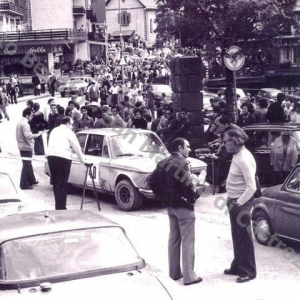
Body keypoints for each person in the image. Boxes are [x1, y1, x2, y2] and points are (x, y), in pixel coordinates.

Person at [151, 138, 205, 285]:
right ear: (180, 148)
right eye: (187, 147)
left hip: (170, 206)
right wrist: (195, 194)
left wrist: (163, 197)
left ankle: (174, 273)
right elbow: (188, 187)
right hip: (183, 207)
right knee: (188, 241)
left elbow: (151, 181)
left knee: (174, 240)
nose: (190, 149)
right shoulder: (184, 164)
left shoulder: (162, 162)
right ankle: (189, 276)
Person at [224, 128, 257, 283]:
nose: (223, 144)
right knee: (237, 236)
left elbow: (251, 187)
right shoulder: (238, 155)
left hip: (241, 202)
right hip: (235, 200)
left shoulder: (243, 158)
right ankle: (237, 266)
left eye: (225, 141)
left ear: (235, 141)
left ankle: (249, 271)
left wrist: (238, 202)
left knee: (244, 238)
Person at [47, 117, 85, 210]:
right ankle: (62, 207)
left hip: (51, 157)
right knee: (63, 184)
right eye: (72, 124)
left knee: (56, 183)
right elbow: (76, 147)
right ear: (68, 123)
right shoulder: (69, 132)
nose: (72, 127)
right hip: (63, 158)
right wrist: (83, 160)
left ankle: (58, 206)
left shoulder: (54, 130)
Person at [16, 108, 43, 190]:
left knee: (28, 164)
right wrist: (38, 134)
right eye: (31, 115)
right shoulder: (25, 124)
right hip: (26, 147)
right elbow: (28, 136)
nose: (32, 117)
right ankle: (23, 184)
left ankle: (32, 180)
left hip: (22, 146)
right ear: (27, 115)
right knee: (26, 165)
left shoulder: (20, 122)